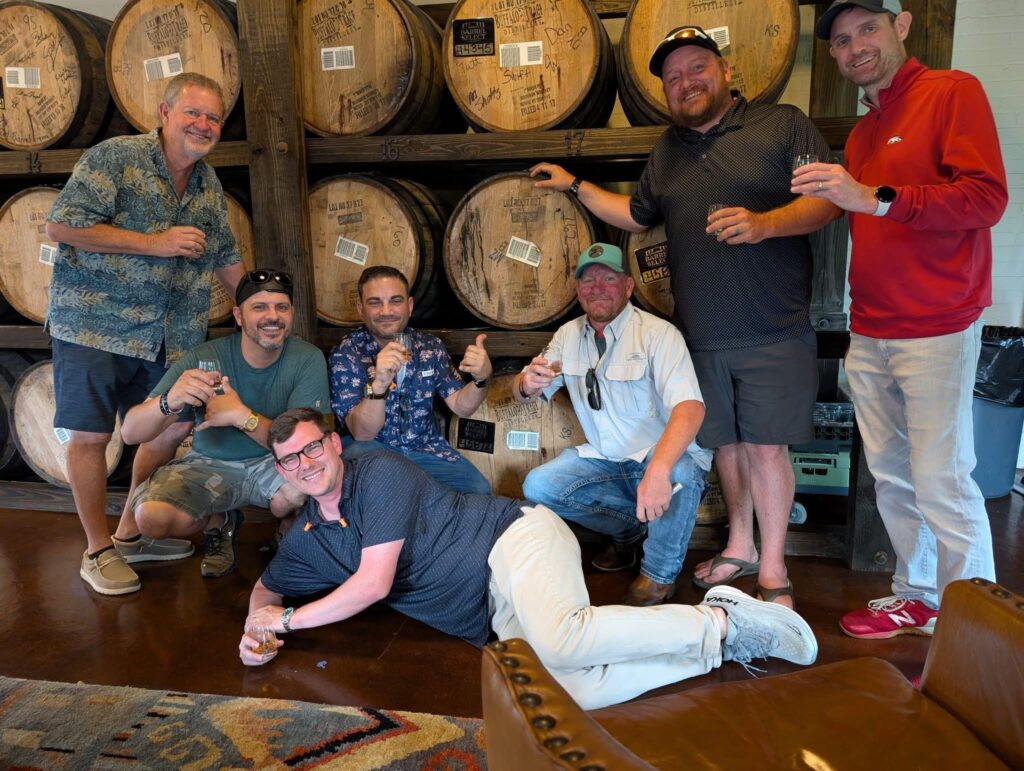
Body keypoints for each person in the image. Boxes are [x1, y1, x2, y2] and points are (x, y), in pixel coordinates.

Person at [530, 26, 840, 609]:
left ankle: (774, 570)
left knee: (768, 449)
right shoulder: (668, 150)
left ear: (725, 72)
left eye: (696, 68)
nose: (685, 82)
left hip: (773, 324)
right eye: (673, 78)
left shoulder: (783, 123)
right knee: (724, 447)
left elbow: (827, 201)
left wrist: (764, 224)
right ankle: (741, 545)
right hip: (703, 332)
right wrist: (574, 184)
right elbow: (635, 213)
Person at [237, 407, 818, 711]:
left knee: (566, 640)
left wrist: (287, 622)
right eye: (290, 459)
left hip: (515, 540)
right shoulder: (307, 539)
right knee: (573, 691)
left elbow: (371, 583)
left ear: (335, 443)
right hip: (490, 614)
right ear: (281, 470)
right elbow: (267, 589)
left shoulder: (378, 472)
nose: (306, 463)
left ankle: (723, 619)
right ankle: (722, 644)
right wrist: (254, 631)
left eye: (313, 446)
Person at [792, 0, 1006, 638]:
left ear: (902, 26)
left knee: (942, 476)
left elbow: (985, 197)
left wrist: (873, 197)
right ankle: (918, 595)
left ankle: (978, 627)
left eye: (868, 29)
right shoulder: (861, 133)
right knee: (890, 475)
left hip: (938, 322)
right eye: (839, 40)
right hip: (873, 328)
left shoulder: (951, 92)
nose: (854, 46)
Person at [44, 72, 247, 596]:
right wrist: (154, 244)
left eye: (213, 118)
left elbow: (224, 256)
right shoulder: (115, 158)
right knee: (91, 438)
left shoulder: (206, 183)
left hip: (167, 334)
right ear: (164, 112)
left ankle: (129, 532)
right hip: (94, 325)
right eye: (193, 113)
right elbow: (62, 227)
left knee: (165, 432)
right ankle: (96, 550)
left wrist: (255, 305)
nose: (203, 125)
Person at [514, 243, 711, 607]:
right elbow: (527, 390)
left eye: (609, 278)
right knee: (539, 485)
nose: (597, 287)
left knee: (680, 469)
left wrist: (658, 469)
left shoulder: (658, 334)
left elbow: (690, 408)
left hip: (658, 458)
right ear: (578, 290)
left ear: (628, 286)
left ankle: (658, 575)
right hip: (605, 459)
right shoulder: (567, 335)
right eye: (588, 280)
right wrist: (527, 383)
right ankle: (629, 533)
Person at [120, 270, 330, 579]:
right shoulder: (203, 357)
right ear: (239, 316)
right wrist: (170, 399)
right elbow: (129, 433)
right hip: (209, 465)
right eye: (259, 307)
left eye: (281, 307)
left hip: (273, 465)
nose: (272, 316)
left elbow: (305, 443)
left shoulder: (307, 358)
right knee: (150, 519)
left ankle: (286, 527)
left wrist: (240, 416)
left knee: (303, 489)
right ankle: (219, 522)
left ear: (292, 314)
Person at [329, 265, 492, 494]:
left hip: (424, 448)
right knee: (381, 494)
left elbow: (461, 406)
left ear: (410, 305)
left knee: (479, 490)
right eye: (375, 302)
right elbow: (362, 433)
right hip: (371, 450)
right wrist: (380, 385)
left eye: (395, 301)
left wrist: (481, 379)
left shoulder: (429, 346)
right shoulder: (347, 353)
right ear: (360, 308)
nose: (386, 311)